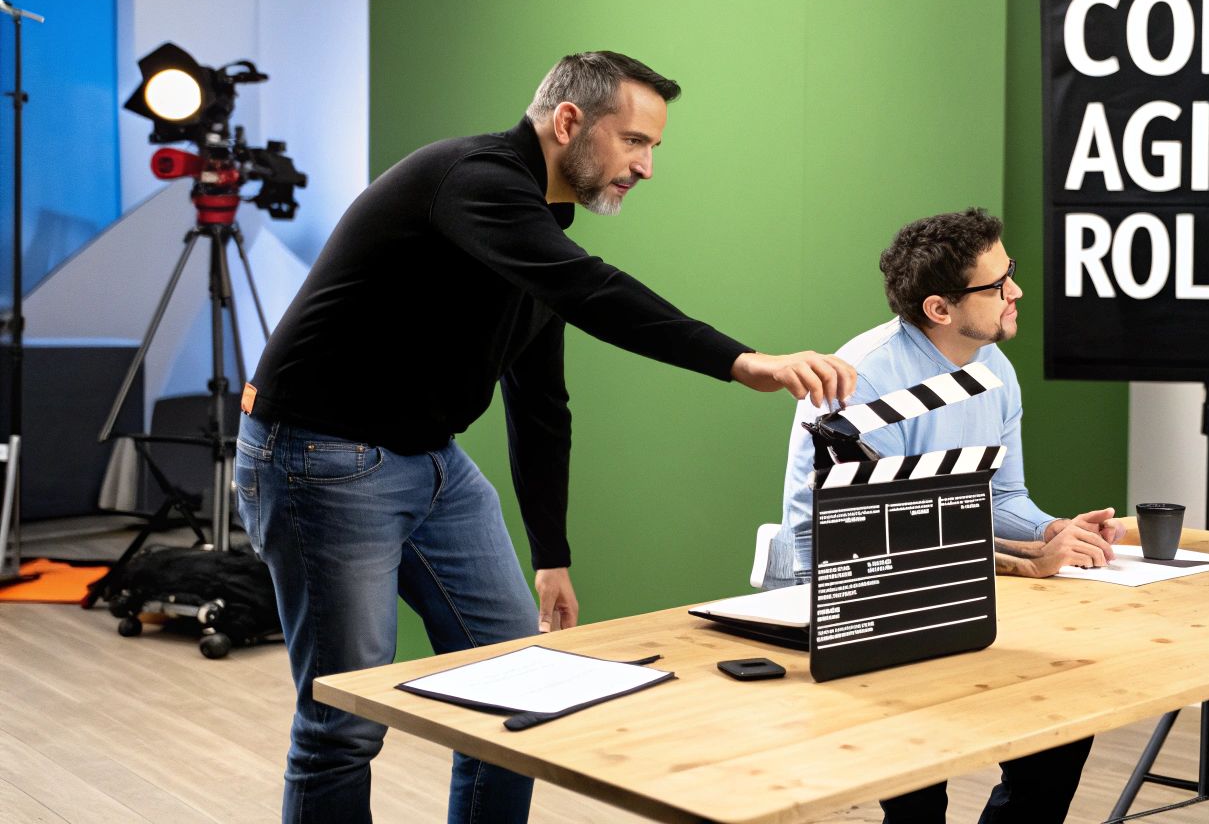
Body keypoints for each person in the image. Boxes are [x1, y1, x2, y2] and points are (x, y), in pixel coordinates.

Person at [235, 50, 855, 824]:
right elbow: (592, 291)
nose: (647, 166)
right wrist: (740, 361)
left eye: (653, 147)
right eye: (635, 141)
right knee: (344, 723)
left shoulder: (536, 220)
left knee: (523, 690)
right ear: (569, 121)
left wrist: (551, 554)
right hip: (321, 457)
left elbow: (540, 400)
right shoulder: (475, 182)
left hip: (430, 460)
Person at [765, 207, 1120, 823]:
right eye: (998, 283)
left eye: (1010, 271)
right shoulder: (865, 379)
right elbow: (883, 536)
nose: (1018, 291)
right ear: (940, 309)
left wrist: (1050, 530)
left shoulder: (996, 370)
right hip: (853, 599)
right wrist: (1029, 565)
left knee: (1062, 724)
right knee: (918, 792)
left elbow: (1001, 497)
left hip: (950, 591)